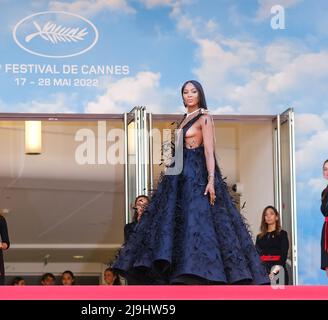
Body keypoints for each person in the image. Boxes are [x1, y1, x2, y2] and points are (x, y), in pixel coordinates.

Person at [112, 80, 269, 284]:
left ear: (200, 94)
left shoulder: (205, 118)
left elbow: (209, 151)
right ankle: (176, 271)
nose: (189, 95)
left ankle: (204, 273)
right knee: (175, 221)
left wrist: (211, 180)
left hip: (197, 175)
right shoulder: (185, 118)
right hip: (178, 176)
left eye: (193, 91)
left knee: (199, 221)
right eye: (185, 92)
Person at [255, 206, 289, 285]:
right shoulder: (259, 237)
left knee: (278, 297)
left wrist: (274, 271)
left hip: (278, 270)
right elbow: (256, 255)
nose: (269, 216)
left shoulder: (282, 234)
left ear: (276, 217)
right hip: (263, 272)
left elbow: (284, 255)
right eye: (266, 215)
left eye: (271, 214)